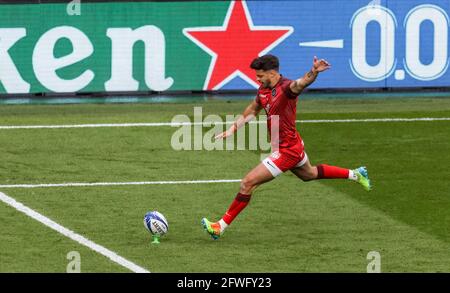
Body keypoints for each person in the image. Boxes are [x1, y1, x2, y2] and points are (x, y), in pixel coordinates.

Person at [201, 54, 371, 240]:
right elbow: (253, 108)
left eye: (260, 76)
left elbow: (301, 83)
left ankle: (220, 226)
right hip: (292, 145)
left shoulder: (286, 88)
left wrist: (313, 72)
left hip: (287, 151)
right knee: (310, 174)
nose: (257, 79)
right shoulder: (263, 90)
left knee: (248, 183)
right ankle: (356, 174)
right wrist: (234, 128)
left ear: (272, 73)